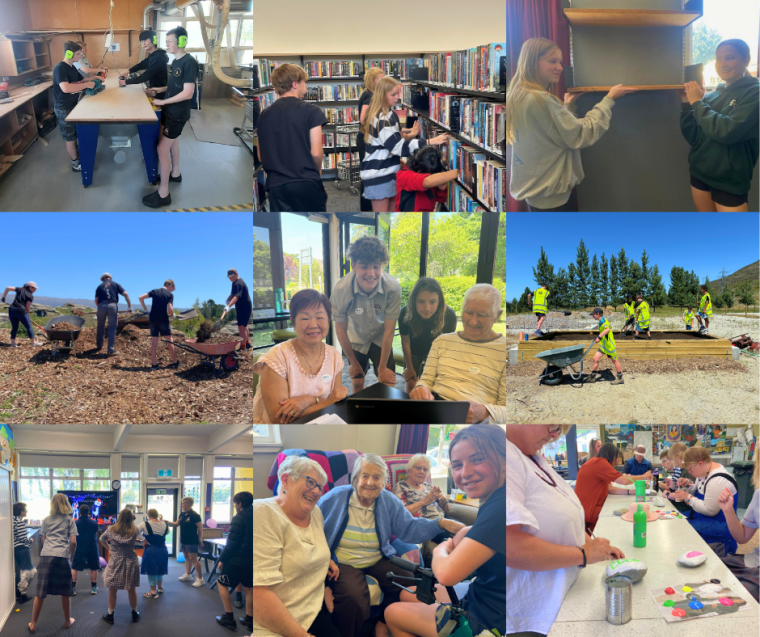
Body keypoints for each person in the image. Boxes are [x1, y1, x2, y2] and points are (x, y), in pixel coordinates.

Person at [317, 453, 465, 637]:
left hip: (378, 557)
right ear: (355, 478)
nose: (370, 482)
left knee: (409, 580)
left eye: (376, 477)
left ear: (384, 482)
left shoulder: (388, 500)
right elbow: (314, 525)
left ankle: (384, 622)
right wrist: (326, 556)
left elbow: (409, 527)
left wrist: (440, 523)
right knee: (353, 597)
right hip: (345, 562)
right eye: (365, 476)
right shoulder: (336, 497)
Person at [383, 425, 506, 637]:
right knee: (407, 595)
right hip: (481, 591)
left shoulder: (499, 505)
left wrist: (441, 503)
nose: (465, 472)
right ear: (409, 470)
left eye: (478, 459)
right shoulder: (401, 488)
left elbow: (446, 573)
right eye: (457, 465)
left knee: (391, 612)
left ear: (504, 459)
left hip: (486, 617)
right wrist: (429, 506)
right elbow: (399, 516)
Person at [507, 426, 626, 636]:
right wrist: (584, 554)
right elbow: (510, 546)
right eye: (552, 426)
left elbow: (564, 520)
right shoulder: (505, 457)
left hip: (564, 595)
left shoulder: (533, 456)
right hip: (535, 615)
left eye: (560, 430)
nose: (555, 435)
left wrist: (592, 544)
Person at [507, 38, 637, 211]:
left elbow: (553, 134)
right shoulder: (541, 100)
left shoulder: (518, 94)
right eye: (552, 61)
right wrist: (609, 99)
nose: (560, 68)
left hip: (538, 196)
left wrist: (566, 108)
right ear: (531, 62)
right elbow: (580, 134)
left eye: (560, 62)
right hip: (552, 200)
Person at [253, 456, 342, 637]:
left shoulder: (315, 512)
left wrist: (326, 560)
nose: (316, 492)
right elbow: (259, 594)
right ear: (286, 480)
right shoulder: (262, 513)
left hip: (310, 612)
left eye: (320, 487)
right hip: (273, 622)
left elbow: (310, 546)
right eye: (310, 482)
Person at [680, 39, 759, 212]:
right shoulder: (711, 96)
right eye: (718, 59)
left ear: (746, 60)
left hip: (729, 181)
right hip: (700, 174)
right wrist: (687, 104)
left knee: (736, 238)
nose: (722, 64)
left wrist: (697, 103)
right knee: (709, 231)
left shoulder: (755, 93)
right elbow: (694, 136)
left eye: (729, 58)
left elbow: (727, 131)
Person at [410, 284, 506, 424]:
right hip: (434, 410)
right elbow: (426, 380)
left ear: (497, 315)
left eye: (482, 315)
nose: (473, 321)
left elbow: (509, 410)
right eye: (468, 312)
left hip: (475, 423)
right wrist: (420, 388)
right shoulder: (441, 341)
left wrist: (483, 412)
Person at [253, 289, 347, 423]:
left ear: (329, 319)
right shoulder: (277, 357)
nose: (313, 325)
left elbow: (336, 400)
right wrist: (325, 403)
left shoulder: (335, 357)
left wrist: (310, 400)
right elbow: (278, 419)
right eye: (305, 318)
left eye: (320, 317)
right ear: (293, 321)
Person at [360, 76, 448, 212]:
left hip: (387, 172)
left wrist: (394, 161)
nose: (397, 98)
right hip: (378, 176)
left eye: (398, 94)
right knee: (383, 219)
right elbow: (397, 147)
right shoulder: (382, 118)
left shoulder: (390, 115)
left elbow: (394, 140)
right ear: (382, 96)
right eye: (393, 95)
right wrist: (430, 142)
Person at [331, 237, 401, 392]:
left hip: (381, 337)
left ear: (384, 266)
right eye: (364, 267)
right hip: (355, 337)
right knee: (357, 380)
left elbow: (390, 331)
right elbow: (340, 330)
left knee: (388, 382)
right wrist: (353, 362)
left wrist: (382, 367)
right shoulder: (341, 290)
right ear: (353, 266)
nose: (371, 274)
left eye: (376, 267)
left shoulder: (393, 287)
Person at [256, 63, 329, 212]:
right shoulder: (312, 111)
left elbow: (260, 155)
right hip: (306, 182)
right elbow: (316, 153)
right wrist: (317, 171)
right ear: (295, 84)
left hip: (277, 187)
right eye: (304, 83)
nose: (306, 86)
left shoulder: (263, 115)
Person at [142, 27, 199, 208]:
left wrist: (163, 103)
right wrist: (159, 90)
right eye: (165, 41)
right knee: (173, 142)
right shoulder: (176, 61)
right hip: (171, 112)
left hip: (177, 114)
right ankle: (175, 174)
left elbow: (188, 93)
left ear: (181, 42)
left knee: (161, 149)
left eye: (170, 41)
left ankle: (164, 193)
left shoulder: (189, 62)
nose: (167, 45)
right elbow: (176, 86)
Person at [668, 446, 739, 556]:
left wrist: (687, 497)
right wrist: (688, 484)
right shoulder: (704, 472)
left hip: (718, 531)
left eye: (691, 469)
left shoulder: (717, 481)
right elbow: (699, 489)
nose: (690, 472)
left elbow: (709, 510)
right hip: (705, 521)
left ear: (701, 463)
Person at [575, 442, 652, 533]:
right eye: (616, 458)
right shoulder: (600, 463)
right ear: (609, 455)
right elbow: (624, 480)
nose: (617, 461)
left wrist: (630, 492)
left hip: (584, 508)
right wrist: (644, 476)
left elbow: (610, 489)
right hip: (588, 509)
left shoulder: (595, 463)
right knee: (620, 519)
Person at [28, 493, 78, 633]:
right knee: (65, 592)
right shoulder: (69, 521)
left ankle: (33, 624)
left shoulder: (46, 519)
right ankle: (68, 621)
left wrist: (48, 550)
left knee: (40, 591)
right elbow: (73, 542)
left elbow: (44, 539)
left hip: (46, 556)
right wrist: (71, 556)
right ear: (66, 504)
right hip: (62, 556)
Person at [398, 277, 457, 394]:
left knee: (434, 386)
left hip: (436, 353)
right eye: (421, 302)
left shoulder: (449, 316)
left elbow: (447, 346)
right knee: (410, 382)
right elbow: (405, 341)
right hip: (413, 350)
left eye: (432, 302)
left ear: (439, 300)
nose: (427, 308)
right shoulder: (405, 313)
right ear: (414, 300)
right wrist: (409, 367)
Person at [391, 453, 452, 566]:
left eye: (425, 469)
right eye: (418, 468)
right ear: (409, 471)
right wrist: (424, 501)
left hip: (443, 521)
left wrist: (442, 499)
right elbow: (400, 513)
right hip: (425, 525)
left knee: (465, 537)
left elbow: (447, 509)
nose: (422, 472)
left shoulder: (429, 487)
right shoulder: (401, 487)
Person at [716, 450, 759, 603]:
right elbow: (742, 537)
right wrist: (728, 510)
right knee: (714, 570)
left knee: (737, 599)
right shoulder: (758, 494)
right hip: (754, 561)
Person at [52, 41, 97, 173]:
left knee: (75, 133)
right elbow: (65, 88)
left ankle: (78, 155)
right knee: (70, 137)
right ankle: (75, 164)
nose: (80, 56)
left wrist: (95, 78)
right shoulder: (60, 68)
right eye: (78, 54)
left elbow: (81, 80)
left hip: (73, 104)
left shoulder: (71, 67)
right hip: (63, 107)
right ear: (69, 53)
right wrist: (87, 86)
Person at [215, 491, 253, 632]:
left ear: (240, 504)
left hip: (238, 560)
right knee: (249, 588)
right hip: (252, 560)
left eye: (235, 503)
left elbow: (231, 543)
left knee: (221, 583)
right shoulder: (257, 516)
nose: (235, 506)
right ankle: (250, 620)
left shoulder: (239, 518)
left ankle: (229, 619)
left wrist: (222, 559)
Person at [99, 508, 141, 624]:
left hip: (116, 560)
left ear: (119, 517)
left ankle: (110, 615)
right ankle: (134, 613)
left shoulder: (111, 529)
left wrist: (109, 549)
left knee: (112, 589)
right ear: (131, 518)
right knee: (132, 589)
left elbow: (101, 539)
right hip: (131, 560)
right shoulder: (135, 529)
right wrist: (132, 520)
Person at [394, 145, 457, 211]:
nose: (427, 174)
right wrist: (459, 172)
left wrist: (441, 189)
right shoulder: (403, 175)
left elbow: (440, 199)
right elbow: (426, 182)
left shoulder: (433, 174)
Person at [357, 67, 386, 210]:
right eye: (382, 78)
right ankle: (368, 207)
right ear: (375, 81)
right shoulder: (370, 96)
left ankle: (367, 206)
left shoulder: (369, 93)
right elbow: (363, 118)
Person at [139, 279, 179, 371]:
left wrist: (145, 309)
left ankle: (154, 365)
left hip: (153, 318)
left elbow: (140, 297)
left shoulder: (154, 291)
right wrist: (172, 315)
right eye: (171, 289)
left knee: (154, 341)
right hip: (163, 319)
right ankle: (174, 363)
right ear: (170, 286)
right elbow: (170, 309)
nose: (171, 291)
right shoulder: (169, 295)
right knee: (170, 340)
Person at [165, 497, 205, 588]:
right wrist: (165, 521)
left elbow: (200, 528)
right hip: (184, 539)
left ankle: (200, 579)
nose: (182, 505)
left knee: (193, 559)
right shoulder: (182, 514)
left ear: (188, 504)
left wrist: (199, 539)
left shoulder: (195, 515)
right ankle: (188, 575)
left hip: (192, 540)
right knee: (186, 557)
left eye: (183, 503)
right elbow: (176, 524)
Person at [120, 30, 168, 99]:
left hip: (160, 93)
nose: (143, 43)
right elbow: (142, 64)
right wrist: (128, 71)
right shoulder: (153, 55)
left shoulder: (158, 57)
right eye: (142, 41)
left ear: (154, 40)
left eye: (146, 40)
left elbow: (145, 76)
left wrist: (125, 82)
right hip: (155, 90)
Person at [94, 273, 132, 356]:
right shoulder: (115, 284)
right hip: (112, 305)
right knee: (112, 328)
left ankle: (99, 345)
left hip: (101, 305)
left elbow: (96, 301)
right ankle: (110, 350)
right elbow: (126, 294)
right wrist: (129, 306)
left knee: (100, 326)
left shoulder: (99, 286)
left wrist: (101, 307)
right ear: (110, 278)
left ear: (103, 279)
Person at [137, 508, 169, 598]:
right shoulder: (164, 524)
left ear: (149, 516)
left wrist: (143, 539)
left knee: (151, 571)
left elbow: (134, 532)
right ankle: (160, 587)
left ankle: (153, 592)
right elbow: (167, 532)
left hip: (151, 550)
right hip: (163, 549)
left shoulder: (144, 524)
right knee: (160, 569)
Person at [587, 308, 624, 385]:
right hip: (604, 346)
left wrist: (599, 337)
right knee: (595, 358)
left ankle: (620, 378)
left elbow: (607, 330)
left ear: (597, 314)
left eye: (593, 314)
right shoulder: (602, 321)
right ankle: (592, 377)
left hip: (610, 347)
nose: (593, 316)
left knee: (615, 361)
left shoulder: (603, 322)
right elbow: (609, 326)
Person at [70, 504, 100, 596]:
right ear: (89, 512)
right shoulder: (94, 523)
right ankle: (94, 588)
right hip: (92, 547)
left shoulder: (75, 523)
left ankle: (72, 588)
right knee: (94, 567)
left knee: (74, 567)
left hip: (80, 547)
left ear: (79, 512)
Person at [2, 282, 43, 347]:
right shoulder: (30, 296)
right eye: (34, 289)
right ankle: (34, 342)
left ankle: (13, 343)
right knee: (28, 327)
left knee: (14, 328)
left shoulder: (19, 289)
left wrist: (4, 297)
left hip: (12, 310)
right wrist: (28, 316)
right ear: (30, 287)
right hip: (21, 311)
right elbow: (27, 307)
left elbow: (7, 288)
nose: (35, 290)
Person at [13, 502, 36, 604]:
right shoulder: (19, 522)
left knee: (26, 571)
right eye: (25, 510)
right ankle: (22, 594)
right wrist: (30, 541)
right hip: (22, 549)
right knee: (28, 572)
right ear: (21, 512)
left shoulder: (12, 520)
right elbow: (23, 538)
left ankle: (20, 592)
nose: (26, 512)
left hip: (16, 549)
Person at [226, 268, 252, 350]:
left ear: (236, 274)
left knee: (241, 327)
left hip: (244, 307)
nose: (230, 278)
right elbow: (233, 294)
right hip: (242, 306)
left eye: (232, 276)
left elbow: (236, 296)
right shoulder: (234, 282)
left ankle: (242, 347)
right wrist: (227, 300)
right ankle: (247, 343)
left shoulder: (238, 283)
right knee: (244, 326)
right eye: (229, 277)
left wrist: (229, 305)